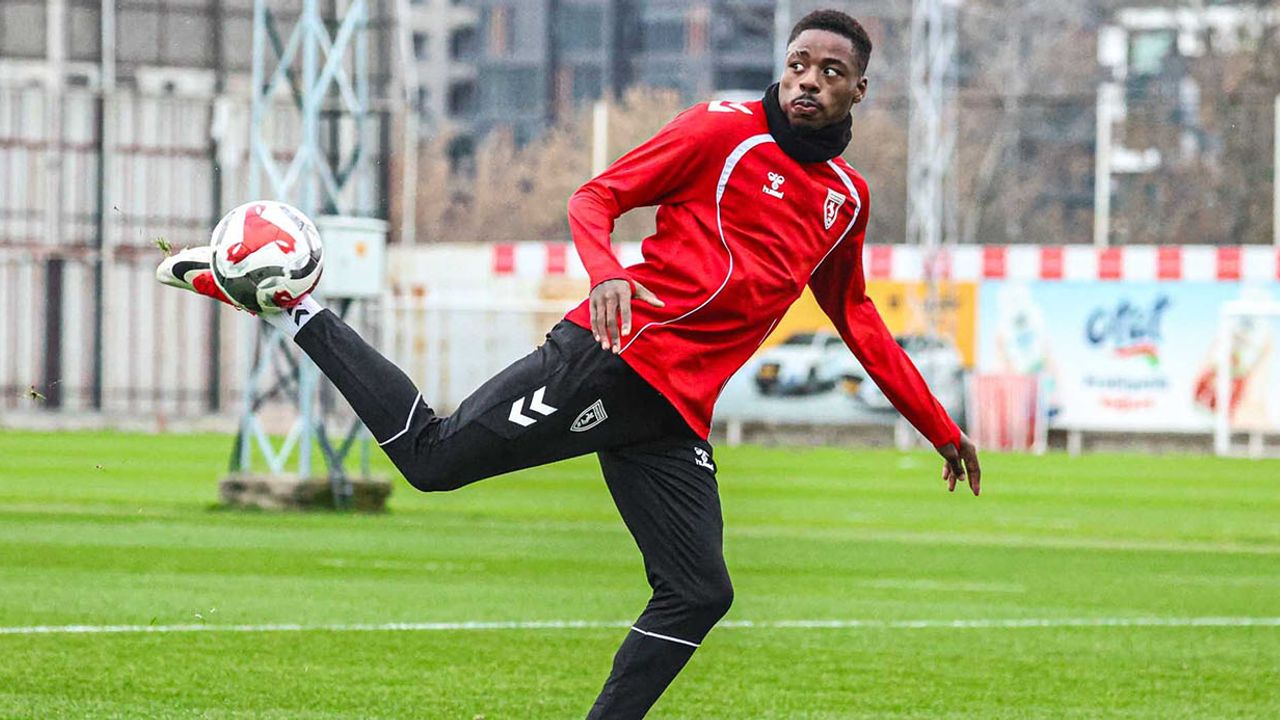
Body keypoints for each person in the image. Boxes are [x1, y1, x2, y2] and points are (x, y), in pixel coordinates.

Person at [157, 9, 981, 718]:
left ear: (858, 90)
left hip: (673, 415)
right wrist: (607, 273)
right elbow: (595, 198)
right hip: (611, 359)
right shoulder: (721, 130)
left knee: (700, 592)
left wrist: (941, 428)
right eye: (799, 63)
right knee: (433, 462)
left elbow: (857, 316)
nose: (808, 81)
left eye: (830, 72)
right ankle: (296, 305)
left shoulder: (846, 199)